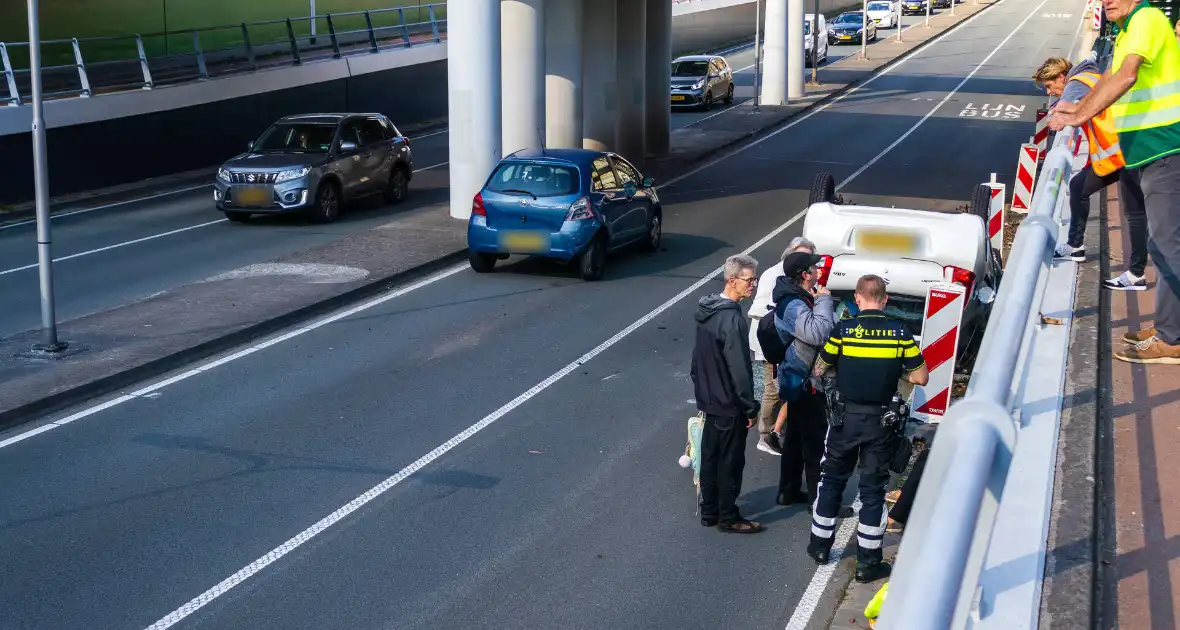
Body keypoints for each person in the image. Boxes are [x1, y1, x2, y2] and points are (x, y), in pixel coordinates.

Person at [1050, 0, 1180, 363]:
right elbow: (1108, 78)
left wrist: (1078, 118)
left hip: (1167, 149)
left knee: (1168, 245)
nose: (1107, 0)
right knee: (1163, 243)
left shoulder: (1146, 19)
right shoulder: (1127, 30)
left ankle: (1172, 338)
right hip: (1149, 151)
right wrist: (1076, 109)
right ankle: (1170, 325)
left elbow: (1126, 77)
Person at [806, 275, 929, 583]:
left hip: (844, 420)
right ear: (885, 300)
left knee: (832, 481)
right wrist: (893, 369)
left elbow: (820, 369)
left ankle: (820, 546)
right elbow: (921, 378)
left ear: (858, 299)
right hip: (881, 423)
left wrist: (844, 368)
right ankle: (868, 563)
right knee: (873, 491)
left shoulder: (843, 330)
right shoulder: (900, 333)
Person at [1034, 56, 1150, 291]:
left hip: (1126, 152)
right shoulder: (1089, 75)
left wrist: (1059, 112)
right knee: (1078, 187)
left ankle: (1136, 274)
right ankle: (1075, 246)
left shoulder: (1077, 81)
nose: (1050, 93)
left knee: (1135, 213)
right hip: (1114, 156)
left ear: (1060, 77)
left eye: (1049, 86)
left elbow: (1072, 97)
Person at [690, 254, 764, 534]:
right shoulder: (732, 319)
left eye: (755, 279)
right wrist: (749, 406)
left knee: (709, 458)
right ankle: (728, 516)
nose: (753, 285)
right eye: (749, 279)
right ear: (732, 281)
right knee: (730, 462)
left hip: (709, 401)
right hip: (729, 404)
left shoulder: (707, 312)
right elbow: (740, 369)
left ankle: (709, 511)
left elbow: (696, 361)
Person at [768, 251, 837, 511]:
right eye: (815, 268)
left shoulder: (796, 298)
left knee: (796, 438)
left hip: (798, 378)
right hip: (805, 381)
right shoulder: (792, 303)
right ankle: (818, 501)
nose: (819, 271)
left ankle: (788, 491)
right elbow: (818, 333)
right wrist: (824, 301)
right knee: (815, 441)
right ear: (805, 274)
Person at [748, 237, 818, 456]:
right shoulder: (773, 275)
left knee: (783, 388)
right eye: (803, 255)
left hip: (786, 342)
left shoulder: (800, 278)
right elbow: (759, 309)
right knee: (773, 389)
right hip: (771, 340)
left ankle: (778, 430)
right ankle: (766, 434)